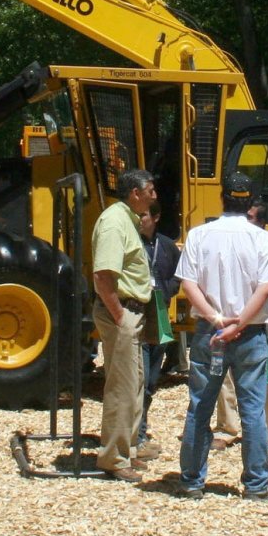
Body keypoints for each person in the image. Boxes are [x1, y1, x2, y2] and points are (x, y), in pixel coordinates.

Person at [175, 172, 268, 500]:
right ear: (251, 202)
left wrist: (216, 318)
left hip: (210, 330)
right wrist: (238, 324)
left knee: (199, 406)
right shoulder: (263, 239)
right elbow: (265, 289)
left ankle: (192, 481)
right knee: (252, 409)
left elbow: (188, 284)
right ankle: (256, 484)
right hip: (249, 333)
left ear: (222, 197)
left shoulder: (198, 235)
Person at [212, 201, 268, 452]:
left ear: (262, 223)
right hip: (228, 318)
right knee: (224, 378)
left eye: (249, 218)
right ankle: (226, 428)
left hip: (265, 320)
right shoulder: (225, 243)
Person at [91, 169, 158, 483]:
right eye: (151, 190)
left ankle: (127, 450)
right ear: (135, 192)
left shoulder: (127, 219)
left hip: (131, 313)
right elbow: (103, 276)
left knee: (134, 385)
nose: (154, 196)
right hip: (121, 312)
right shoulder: (114, 222)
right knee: (121, 388)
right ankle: (114, 459)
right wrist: (120, 317)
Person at [136, 201, 180, 449]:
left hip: (161, 313)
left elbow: (180, 271)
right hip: (139, 314)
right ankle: (137, 435)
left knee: (152, 378)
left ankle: (141, 428)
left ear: (156, 217)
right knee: (139, 378)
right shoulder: (132, 243)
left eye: (143, 215)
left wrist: (169, 289)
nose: (140, 219)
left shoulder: (166, 245)